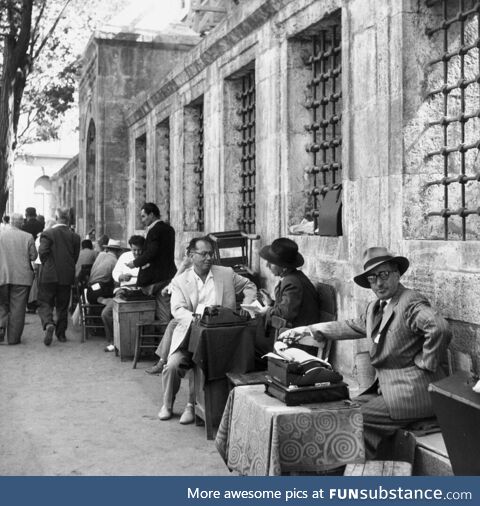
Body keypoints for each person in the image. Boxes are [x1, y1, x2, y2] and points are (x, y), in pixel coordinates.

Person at [279, 246, 451, 459]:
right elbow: (351, 326)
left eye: (384, 275)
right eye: (372, 278)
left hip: (411, 394)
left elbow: (439, 327)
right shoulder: (375, 307)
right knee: (340, 411)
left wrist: (426, 362)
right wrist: (307, 330)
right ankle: (347, 467)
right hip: (384, 390)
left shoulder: (410, 301)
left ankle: (355, 473)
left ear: (397, 274)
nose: (378, 283)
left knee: (354, 419)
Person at [158, 236, 257, 425]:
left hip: (218, 339)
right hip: (190, 334)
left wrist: (246, 303)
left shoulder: (225, 274)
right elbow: (177, 310)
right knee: (172, 365)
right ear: (191, 255)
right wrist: (196, 319)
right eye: (203, 254)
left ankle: (191, 405)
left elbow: (249, 285)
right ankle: (167, 403)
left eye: (211, 253)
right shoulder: (180, 281)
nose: (208, 258)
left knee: (201, 365)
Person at [253, 237, 320, 361]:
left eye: (271, 263)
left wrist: (267, 310)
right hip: (294, 333)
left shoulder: (292, 282)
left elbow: (286, 314)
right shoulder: (293, 277)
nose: (267, 265)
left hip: (300, 341)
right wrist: (271, 303)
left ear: (284, 267)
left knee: (253, 345)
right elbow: (288, 306)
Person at [144, 243, 194, 374]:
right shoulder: (188, 269)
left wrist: (184, 265)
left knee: (172, 324)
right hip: (188, 312)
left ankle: (163, 362)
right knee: (172, 324)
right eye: (185, 254)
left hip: (195, 314)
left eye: (188, 254)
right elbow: (176, 282)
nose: (185, 257)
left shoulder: (195, 271)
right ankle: (163, 361)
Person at [126, 202, 176, 325]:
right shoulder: (169, 229)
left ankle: (155, 336)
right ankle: (164, 338)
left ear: (152, 215)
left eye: (143, 216)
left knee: (141, 297)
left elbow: (152, 252)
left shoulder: (154, 230)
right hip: (168, 274)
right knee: (164, 309)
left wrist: (135, 263)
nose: (142, 220)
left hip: (157, 277)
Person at [37, 207, 81, 346]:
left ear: (56, 218)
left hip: (49, 275)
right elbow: (75, 256)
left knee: (44, 302)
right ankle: (61, 334)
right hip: (66, 275)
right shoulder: (75, 236)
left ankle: (49, 323)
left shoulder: (48, 233)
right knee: (62, 305)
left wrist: (47, 265)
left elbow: (42, 252)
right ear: (68, 219)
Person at [101, 235, 145, 352]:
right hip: (124, 291)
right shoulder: (125, 256)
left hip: (141, 291)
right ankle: (113, 342)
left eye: (139, 250)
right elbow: (115, 273)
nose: (136, 252)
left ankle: (135, 344)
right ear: (130, 248)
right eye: (134, 249)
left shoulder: (146, 257)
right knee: (106, 313)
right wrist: (121, 277)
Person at [0, 213, 37, 344]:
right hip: (21, 277)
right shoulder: (28, 237)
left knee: (2, 305)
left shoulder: (1, 236)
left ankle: (0, 326)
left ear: (10, 222)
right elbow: (33, 256)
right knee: (18, 308)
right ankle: (13, 338)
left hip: (2, 276)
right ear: (21, 223)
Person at [86, 239, 125, 304]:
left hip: (90, 291)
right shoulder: (115, 261)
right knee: (120, 293)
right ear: (117, 251)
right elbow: (117, 281)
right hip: (100, 293)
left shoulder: (100, 255)